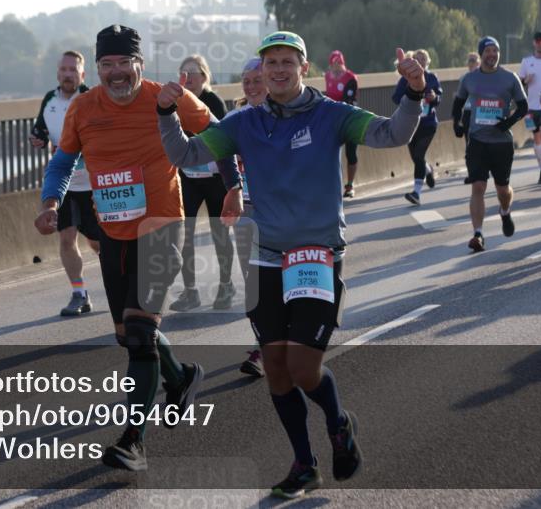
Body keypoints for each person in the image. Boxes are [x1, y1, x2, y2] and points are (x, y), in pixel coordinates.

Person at [157, 30, 424, 497]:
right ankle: (304, 462)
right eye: (270, 62)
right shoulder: (243, 123)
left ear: (305, 67)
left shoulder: (332, 116)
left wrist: (414, 93)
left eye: (287, 61)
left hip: (316, 256)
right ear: (262, 70)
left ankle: (339, 423)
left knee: (303, 368)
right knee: (276, 370)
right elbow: (185, 153)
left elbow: (393, 133)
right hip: (264, 258)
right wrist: (165, 112)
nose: (277, 70)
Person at [35, 25, 239, 472]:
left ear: (139, 65)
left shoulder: (166, 97)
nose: (115, 73)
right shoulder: (83, 108)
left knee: (142, 333)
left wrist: (233, 187)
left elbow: (222, 134)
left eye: (122, 64)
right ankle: (182, 376)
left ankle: (134, 441)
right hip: (114, 234)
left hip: (162, 227)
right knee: (129, 335)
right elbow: (63, 161)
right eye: (106, 65)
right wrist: (51, 202)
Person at [30, 51, 100, 316]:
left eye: (73, 70)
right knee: (67, 238)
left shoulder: (92, 98)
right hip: (64, 186)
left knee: (97, 242)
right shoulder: (50, 99)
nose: (67, 74)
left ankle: (121, 279)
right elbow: (40, 132)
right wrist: (37, 140)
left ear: (82, 75)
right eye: (63, 69)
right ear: (57, 73)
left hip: (93, 184)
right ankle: (79, 292)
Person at [170, 55, 237, 312]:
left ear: (204, 76)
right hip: (188, 177)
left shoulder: (213, 102)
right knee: (184, 235)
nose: (189, 78)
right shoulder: (177, 104)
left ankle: (226, 285)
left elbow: (223, 140)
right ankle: (190, 292)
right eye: (184, 73)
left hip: (215, 177)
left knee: (219, 234)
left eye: (194, 73)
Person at [452, 37, 528, 252]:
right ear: (481, 54)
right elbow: (458, 103)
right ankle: (478, 234)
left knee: (502, 189)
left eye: (495, 51)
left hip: (501, 143)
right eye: (488, 51)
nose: (492, 55)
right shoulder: (469, 79)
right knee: (478, 186)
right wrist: (456, 124)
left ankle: (505, 211)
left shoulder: (509, 78)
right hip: (477, 141)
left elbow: (523, 107)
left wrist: (508, 123)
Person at [230, 58, 267, 378]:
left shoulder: (291, 116)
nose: (251, 85)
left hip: (285, 212)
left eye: (258, 79)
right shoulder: (234, 118)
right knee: (254, 284)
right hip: (247, 209)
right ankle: (263, 348)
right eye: (246, 80)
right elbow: (212, 152)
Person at [393, 49, 442, 204]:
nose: (419, 61)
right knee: (416, 157)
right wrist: (410, 97)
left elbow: (438, 98)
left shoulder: (431, 77)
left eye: (423, 59)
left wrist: (433, 97)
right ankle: (427, 169)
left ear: (427, 62)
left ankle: (416, 192)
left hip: (428, 124)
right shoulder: (405, 78)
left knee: (419, 155)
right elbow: (395, 97)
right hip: (411, 124)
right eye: (417, 58)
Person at [519, 31, 541, 185]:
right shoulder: (527, 62)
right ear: (534, 43)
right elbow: (519, 84)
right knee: (537, 138)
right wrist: (526, 80)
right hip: (532, 106)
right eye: (539, 41)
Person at [324, 51, 360, 197]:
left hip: (350, 118)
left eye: (340, 63)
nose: (337, 67)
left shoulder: (350, 78)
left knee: (350, 153)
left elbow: (350, 99)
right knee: (330, 153)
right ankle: (332, 185)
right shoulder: (327, 76)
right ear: (330, 64)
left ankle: (350, 185)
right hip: (333, 119)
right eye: (334, 64)